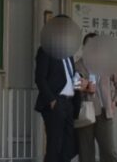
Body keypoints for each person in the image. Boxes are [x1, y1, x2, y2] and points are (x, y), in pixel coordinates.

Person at [35, 28, 86, 162]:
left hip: (69, 102)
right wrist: (52, 100)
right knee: (55, 145)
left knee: (68, 145)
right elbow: (40, 78)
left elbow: (70, 76)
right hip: (56, 102)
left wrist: (79, 79)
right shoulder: (45, 50)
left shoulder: (68, 54)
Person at [76, 33, 117, 162]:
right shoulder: (78, 65)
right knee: (86, 152)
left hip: (104, 113)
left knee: (109, 151)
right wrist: (83, 87)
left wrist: (116, 101)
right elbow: (72, 86)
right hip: (85, 112)